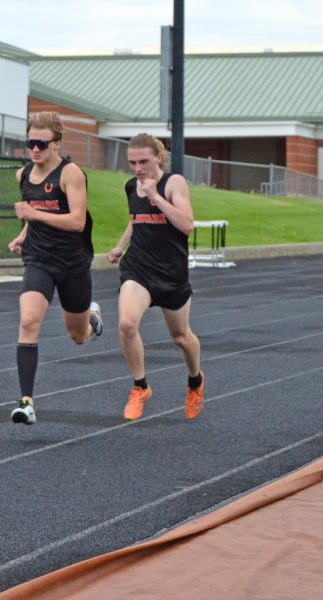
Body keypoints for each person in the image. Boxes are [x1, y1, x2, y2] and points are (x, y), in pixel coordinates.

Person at [7, 111, 103, 425]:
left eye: (41, 143)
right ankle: (26, 402)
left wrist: (33, 216)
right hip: (39, 261)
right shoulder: (23, 175)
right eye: (30, 142)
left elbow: (76, 221)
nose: (35, 149)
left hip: (73, 264)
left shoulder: (70, 174)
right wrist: (23, 235)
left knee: (78, 336)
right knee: (29, 321)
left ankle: (91, 318)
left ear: (56, 144)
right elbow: (32, 217)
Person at [107, 133, 205, 422]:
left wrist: (155, 196)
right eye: (132, 162)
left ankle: (195, 381)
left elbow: (186, 225)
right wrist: (120, 246)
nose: (137, 168)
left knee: (181, 337)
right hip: (138, 268)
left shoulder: (173, 183)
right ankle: (140, 387)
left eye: (143, 161)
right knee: (127, 323)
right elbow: (135, 220)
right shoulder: (129, 186)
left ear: (158, 158)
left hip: (171, 272)